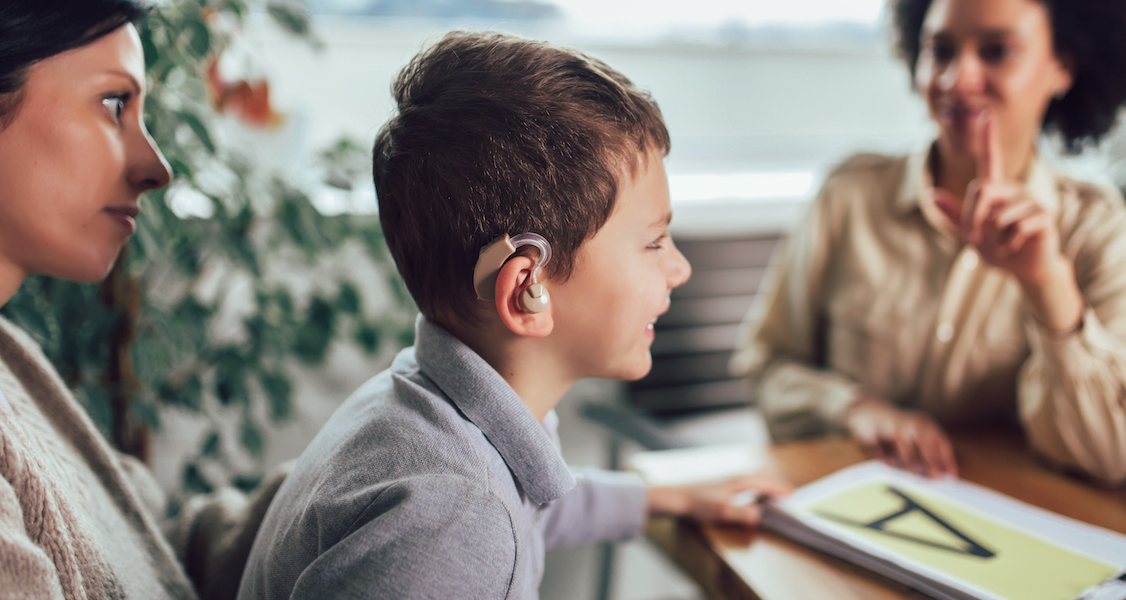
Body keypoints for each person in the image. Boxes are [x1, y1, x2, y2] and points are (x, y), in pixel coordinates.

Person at [238, 31, 791, 599]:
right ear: (528, 289)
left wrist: (662, 498)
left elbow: (537, 504)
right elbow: (488, 515)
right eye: (654, 242)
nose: (680, 269)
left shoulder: (430, 413)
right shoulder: (449, 523)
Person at [732, 0, 1126, 485]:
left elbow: (1115, 456)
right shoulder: (849, 199)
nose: (956, 80)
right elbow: (767, 367)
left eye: (996, 51)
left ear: (1063, 66)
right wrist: (853, 409)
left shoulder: (1104, 239)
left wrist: (1046, 285)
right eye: (940, 51)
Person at [0, 2, 287, 598]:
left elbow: (139, 546)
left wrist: (368, 466)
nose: (156, 168)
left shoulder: (12, 359)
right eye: (114, 105)